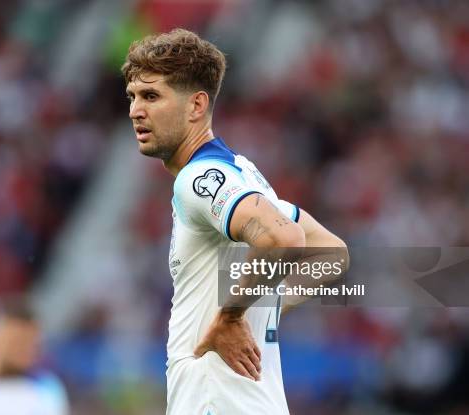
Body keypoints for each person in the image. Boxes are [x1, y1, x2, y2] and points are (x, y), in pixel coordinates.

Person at [122, 29, 348, 414]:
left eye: (151, 96)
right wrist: (266, 304)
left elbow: (284, 238)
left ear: (196, 106)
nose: (135, 110)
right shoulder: (245, 174)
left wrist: (231, 315)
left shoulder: (201, 178)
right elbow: (332, 253)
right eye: (133, 97)